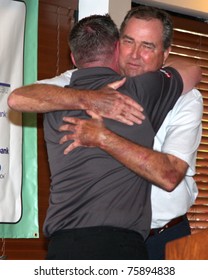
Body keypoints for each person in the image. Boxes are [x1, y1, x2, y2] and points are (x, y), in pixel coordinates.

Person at [8, 6, 202, 259]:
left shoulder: (184, 97)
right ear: (116, 45)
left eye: (148, 46)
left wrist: (103, 138)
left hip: (165, 236)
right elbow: (20, 98)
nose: (134, 55)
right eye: (128, 42)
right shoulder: (78, 83)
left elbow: (170, 174)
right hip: (103, 237)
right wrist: (89, 99)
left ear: (165, 54)